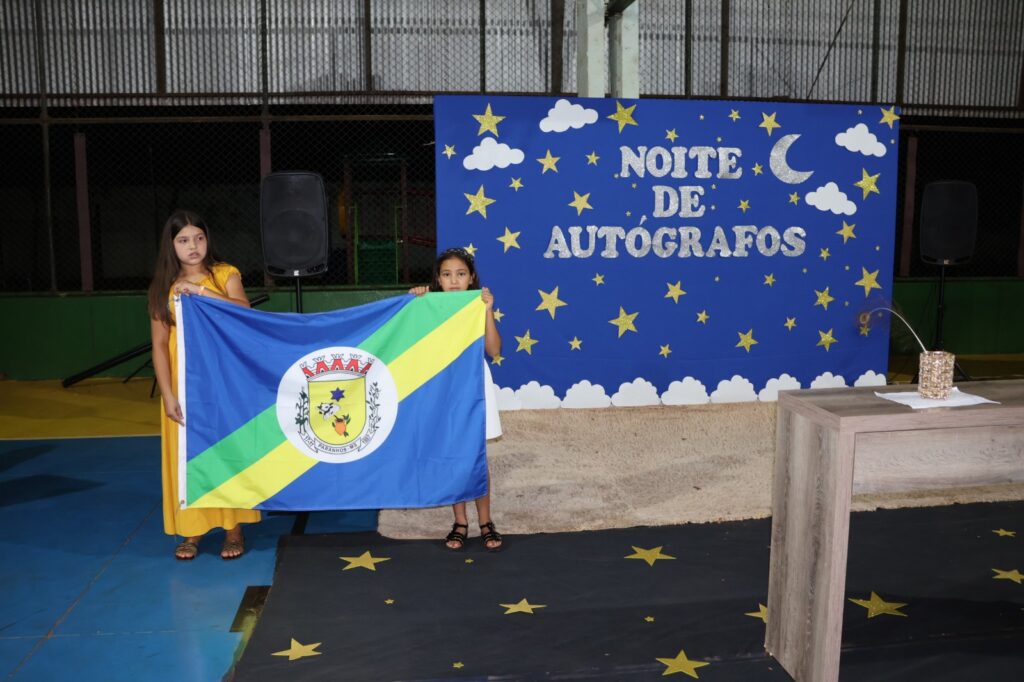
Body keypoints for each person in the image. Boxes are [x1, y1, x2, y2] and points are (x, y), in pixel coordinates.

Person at [147, 210, 261, 560]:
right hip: (183, 386)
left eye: (198, 238)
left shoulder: (225, 275)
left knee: (226, 452)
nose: (192, 246)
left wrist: (200, 291)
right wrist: (167, 394)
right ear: (171, 246)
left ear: (207, 240)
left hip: (222, 384)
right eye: (183, 240)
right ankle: (192, 531)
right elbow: (159, 346)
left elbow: (246, 312)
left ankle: (233, 529)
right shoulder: (161, 289)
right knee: (185, 457)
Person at [409, 247, 504, 551]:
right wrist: (416, 303)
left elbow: (494, 350)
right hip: (443, 389)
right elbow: (410, 340)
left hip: (474, 387)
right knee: (453, 455)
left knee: (476, 456)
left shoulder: (476, 306)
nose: (454, 281)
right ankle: (460, 521)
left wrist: (488, 310)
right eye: (447, 275)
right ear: (438, 279)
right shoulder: (428, 305)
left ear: (471, 278)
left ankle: (486, 521)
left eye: (461, 274)